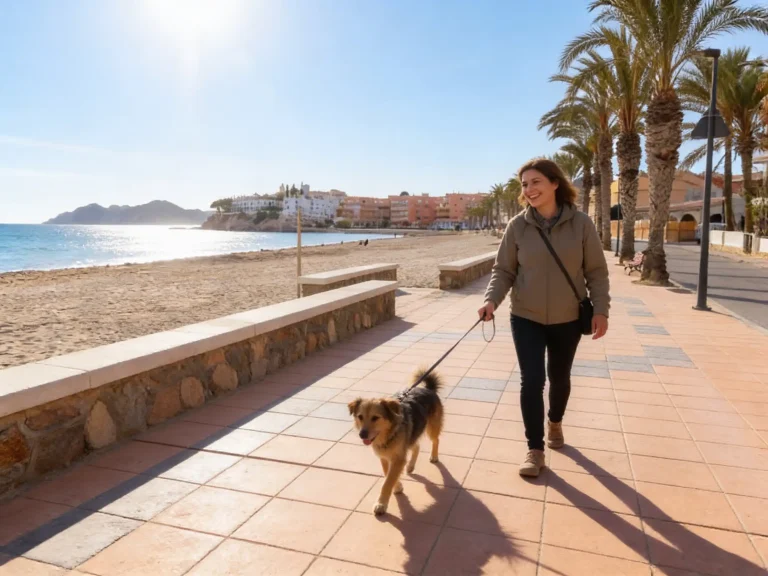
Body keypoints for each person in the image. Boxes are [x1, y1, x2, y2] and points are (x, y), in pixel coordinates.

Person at [478, 158, 610, 478]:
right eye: (524, 185)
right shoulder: (517, 226)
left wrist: (602, 310)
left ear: (554, 183)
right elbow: (504, 270)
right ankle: (534, 449)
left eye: (535, 182)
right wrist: (491, 300)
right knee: (532, 380)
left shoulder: (581, 224)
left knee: (560, 378)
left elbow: (596, 271)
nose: (529, 189)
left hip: (567, 317)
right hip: (526, 316)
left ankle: (555, 421)